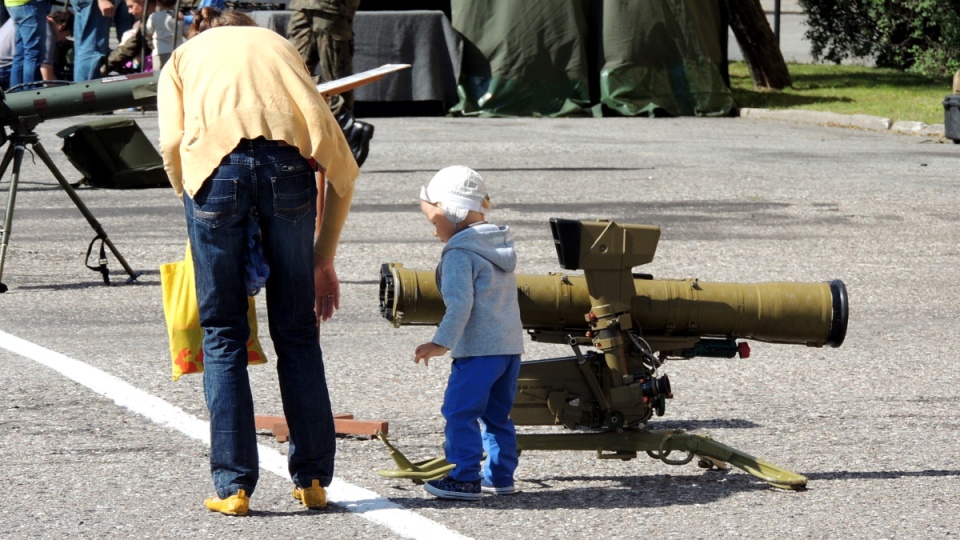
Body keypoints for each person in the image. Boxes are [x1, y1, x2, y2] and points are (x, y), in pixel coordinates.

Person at [157, 7, 359, 516]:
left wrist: (197, 203)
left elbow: (171, 144)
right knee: (296, 331)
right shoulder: (280, 49)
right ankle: (313, 479)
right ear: (251, 29)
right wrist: (323, 257)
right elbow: (342, 170)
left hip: (214, 173)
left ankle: (234, 488)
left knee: (223, 330)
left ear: (206, 31)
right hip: (288, 169)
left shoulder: (182, 56)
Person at [413, 166, 525, 501]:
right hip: (508, 349)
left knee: (459, 412)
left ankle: (463, 477)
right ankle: (500, 476)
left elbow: (460, 304)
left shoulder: (460, 253)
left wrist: (439, 343)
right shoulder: (497, 244)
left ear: (453, 212)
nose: (435, 232)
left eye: (435, 222)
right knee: (497, 416)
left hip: (477, 350)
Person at [286, 0, 373, 167]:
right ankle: (342, 123)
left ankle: (345, 136)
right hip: (302, 5)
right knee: (292, 71)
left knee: (338, 80)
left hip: (331, 6)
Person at [5, 0, 49, 89]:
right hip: (29, 4)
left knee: (20, 54)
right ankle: (31, 94)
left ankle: (15, 93)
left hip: (12, 4)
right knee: (33, 53)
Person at [144, 0, 180, 69]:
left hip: (160, 52)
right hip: (177, 51)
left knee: (160, 75)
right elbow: (186, 33)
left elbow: (148, 33)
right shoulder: (179, 16)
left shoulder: (154, 16)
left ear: (158, 2)